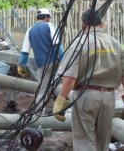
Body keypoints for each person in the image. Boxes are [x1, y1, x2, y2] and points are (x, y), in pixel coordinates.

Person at [53, 9, 124, 151]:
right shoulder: (115, 43)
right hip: (109, 97)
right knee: (102, 142)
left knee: (84, 141)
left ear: (83, 24)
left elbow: (70, 77)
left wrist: (61, 99)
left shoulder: (79, 43)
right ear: (101, 24)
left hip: (87, 96)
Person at [17, 8, 64, 114]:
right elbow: (57, 46)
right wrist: (64, 61)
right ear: (46, 17)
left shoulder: (30, 30)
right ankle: (63, 110)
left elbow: (25, 52)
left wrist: (21, 66)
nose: (49, 19)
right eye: (49, 18)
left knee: (42, 89)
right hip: (54, 63)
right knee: (61, 84)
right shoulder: (49, 26)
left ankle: (39, 111)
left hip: (41, 65)